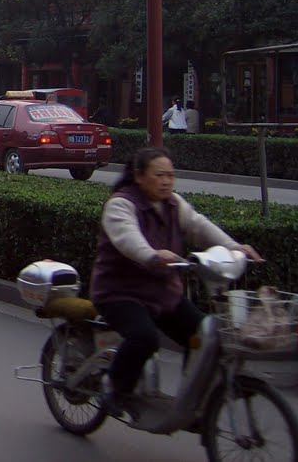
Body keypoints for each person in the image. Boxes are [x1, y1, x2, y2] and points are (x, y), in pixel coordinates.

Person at [91, 147, 261, 415]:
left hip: (163, 293)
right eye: (159, 175)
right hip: (120, 293)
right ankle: (113, 386)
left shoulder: (175, 204)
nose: (166, 181)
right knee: (144, 338)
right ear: (139, 176)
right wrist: (151, 254)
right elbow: (127, 238)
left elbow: (200, 226)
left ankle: (190, 399)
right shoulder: (121, 204)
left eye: (170, 175)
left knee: (205, 334)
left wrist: (236, 247)